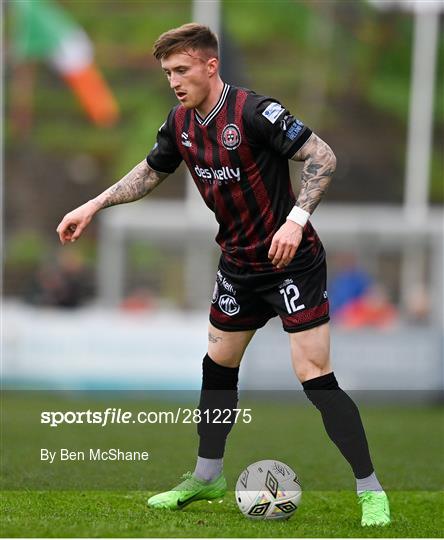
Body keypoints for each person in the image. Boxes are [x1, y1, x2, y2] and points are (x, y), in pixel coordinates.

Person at [56, 23, 390, 527]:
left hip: (290, 262)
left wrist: (296, 223)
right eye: (168, 72)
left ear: (211, 65)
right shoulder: (181, 123)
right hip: (238, 262)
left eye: (182, 70)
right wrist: (95, 203)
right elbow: (150, 171)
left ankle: (371, 489)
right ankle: (207, 475)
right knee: (217, 366)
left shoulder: (254, 112)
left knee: (313, 375)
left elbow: (322, 156)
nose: (174, 81)